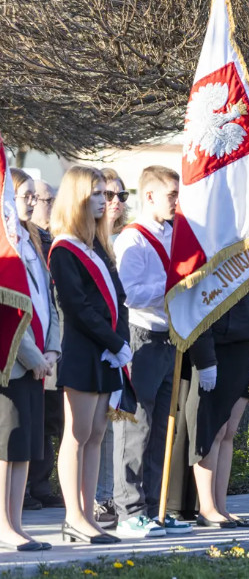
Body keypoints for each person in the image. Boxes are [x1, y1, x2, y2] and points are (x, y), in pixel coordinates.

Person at [111, 166, 191, 538]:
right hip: (142, 334)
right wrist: (170, 285)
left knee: (162, 427)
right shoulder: (133, 239)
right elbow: (128, 293)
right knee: (135, 425)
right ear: (150, 196)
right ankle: (129, 509)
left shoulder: (176, 235)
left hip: (169, 336)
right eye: (171, 194)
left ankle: (155, 506)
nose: (177, 201)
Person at [49, 166, 126, 544]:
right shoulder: (64, 249)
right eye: (97, 193)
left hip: (106, 352)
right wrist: (114, 342)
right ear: (78, 197)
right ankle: (73, 516)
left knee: (96, 433)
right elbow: (77, 306)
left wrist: (120, 341)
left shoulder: (98, 246)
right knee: (77, 435)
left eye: (106, 194)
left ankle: (89, 513)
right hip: (82, 350)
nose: (105, 201)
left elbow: (118, 300)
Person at [0, 169, 59, 551]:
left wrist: (52, 348)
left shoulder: (31, 241)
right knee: (8, 448)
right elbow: (7, 308)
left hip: (39, 360)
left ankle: (17, 523)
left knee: (25, 448)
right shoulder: (5, 245)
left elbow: (47, 301)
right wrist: (34, 355)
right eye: (25, 196)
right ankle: (5, 525)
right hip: (15, 360)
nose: (33, 202)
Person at [185, 292, 249, 528]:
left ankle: (221, 506)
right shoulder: (216, 257)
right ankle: (207, 507)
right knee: (213, 431)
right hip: (219, 348)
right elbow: (199, 307)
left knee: (228, 432)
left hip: (248, 344)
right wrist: (205, 357)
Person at [93, 167, 129, 528]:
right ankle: (98, 497)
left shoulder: (127, 236)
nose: (115, 202)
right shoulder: (86, 241)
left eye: (121, 195)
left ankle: (114, 494)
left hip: (127, 340)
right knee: (98, 428)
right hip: (100, 342)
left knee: (120, 424)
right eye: (107, 195)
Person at [24, 178, 63, 512]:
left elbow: (52, 300)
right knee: (29, 420)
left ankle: (40, 484)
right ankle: (25, 488)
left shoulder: (55, 239)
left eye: (52, 199)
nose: (50, 205)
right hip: (28, 347)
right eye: (45, 200)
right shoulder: (24, 241)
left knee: (49, 420)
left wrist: (53, 347)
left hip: (52, 344)